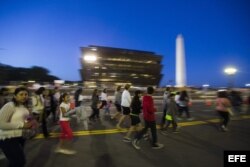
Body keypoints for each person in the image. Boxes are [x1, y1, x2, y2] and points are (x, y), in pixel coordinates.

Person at [0, 87, 35, 167]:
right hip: (7, 137)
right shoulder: (10, 105)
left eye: (26, 94)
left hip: (20, 137)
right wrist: (22, 125)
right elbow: (1, 124)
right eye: (21, 94)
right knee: (19, 161)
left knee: (15, 161)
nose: (24, 96)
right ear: (15, 96)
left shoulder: (23, 107)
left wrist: (30, 123)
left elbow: (24, 120)